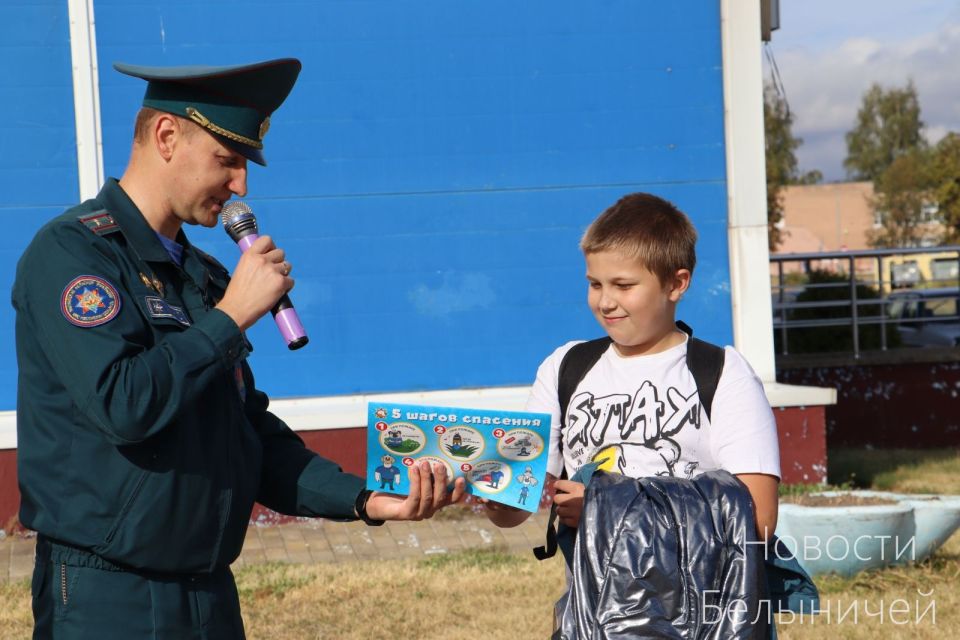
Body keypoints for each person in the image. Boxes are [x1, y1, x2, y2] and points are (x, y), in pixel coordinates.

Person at [13, 58, 464, 639]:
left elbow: (247, 436)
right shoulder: (73, 254)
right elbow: (125, 404)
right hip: (110, 595)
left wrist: (367, 500)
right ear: (167, 137)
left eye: (245, 164)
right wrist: (229, 318)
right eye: (226, 160)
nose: (241, 186)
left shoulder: (202, 275)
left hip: (209, 593)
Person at [484, 191, 780, 542]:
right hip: (593, 597)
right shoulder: (565, 367)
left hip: (697, 595)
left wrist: (606, 510)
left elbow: (758, 521)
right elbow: (515, 505)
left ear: (676, 283)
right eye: (595, 284)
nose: (605, 302)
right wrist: (487, 487)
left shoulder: (723, 373)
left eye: (623, 286)